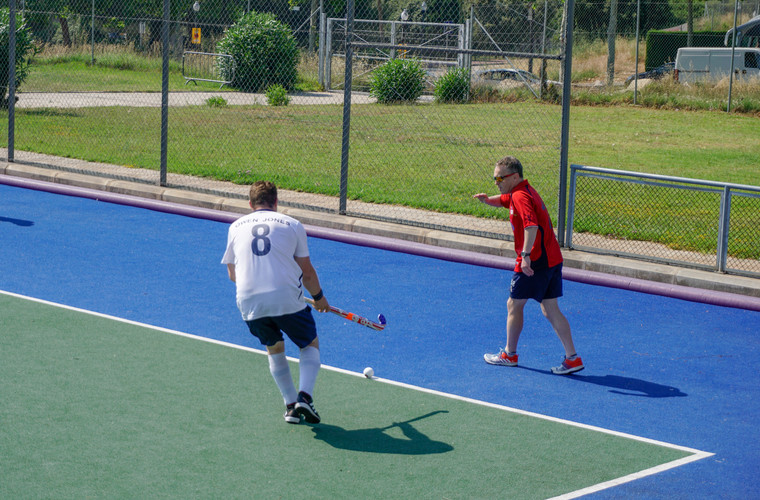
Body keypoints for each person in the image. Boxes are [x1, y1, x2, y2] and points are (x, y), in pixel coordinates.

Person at [222, 181, 330, 423]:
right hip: (286, 298)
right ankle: (305, 397)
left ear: (250, 204)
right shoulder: (292, 225)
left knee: (274, 347)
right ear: (276, 202)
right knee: (309, 343)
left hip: (248, 301)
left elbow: (232, 274)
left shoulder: (235, 227)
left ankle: (291, 405)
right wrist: (319, 297)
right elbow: (308, 272)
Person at [473, 156, 584, 375]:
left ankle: (509, 354)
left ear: (514, 177)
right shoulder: (522, 192)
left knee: (514, 305)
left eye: (500, 177)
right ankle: (573, 358)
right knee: (550, 309)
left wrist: (525, 256)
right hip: (552, 259)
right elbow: (505, 200)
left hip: (535, 261)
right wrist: (488, 200)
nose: (496, 181)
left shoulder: (521, 197)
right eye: (494, 177)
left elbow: (531, 226)